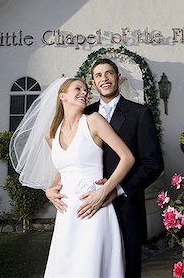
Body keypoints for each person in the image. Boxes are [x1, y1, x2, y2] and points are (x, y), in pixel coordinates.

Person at [46, 59, 164, 277]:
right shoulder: (86, 114)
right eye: (98, 75)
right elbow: (70, 160)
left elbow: (153, 163)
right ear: (94, 82)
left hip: (126, 206)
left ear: (118, 78)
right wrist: (51, 188)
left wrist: (116, 190)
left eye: (109, 73)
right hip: (86, 209)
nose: (104, 78)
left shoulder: (139, 113)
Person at [10, 77, 135, 278]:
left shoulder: (93, 121)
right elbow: (64, 169)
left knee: (92, 269)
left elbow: (127, 158)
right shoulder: (51, 133)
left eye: (86, 90)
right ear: (62, 96)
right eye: (78, 89)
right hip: (67, 215)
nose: (84, 93)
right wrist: (49, 190)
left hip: (94, 209)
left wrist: (104, 191)